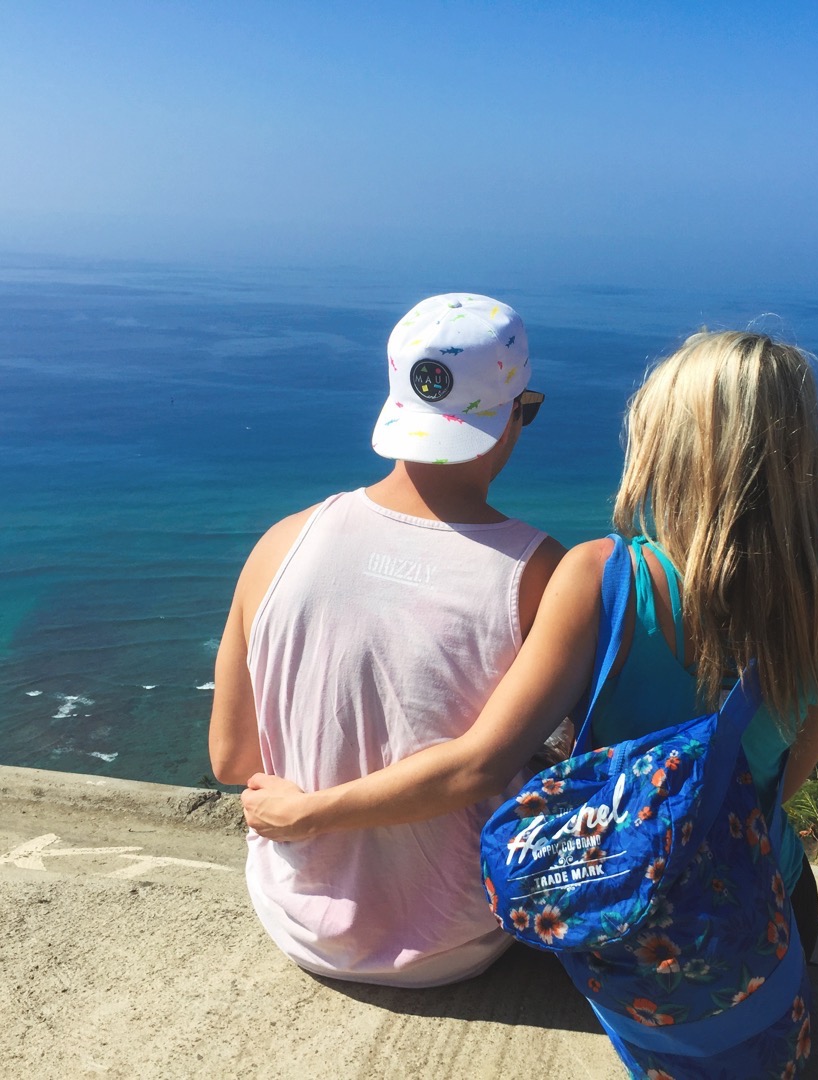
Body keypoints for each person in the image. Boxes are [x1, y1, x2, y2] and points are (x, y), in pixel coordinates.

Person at [242, 330, 818, 1075]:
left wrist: (306, 814)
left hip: (632, 925)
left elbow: (480, 762)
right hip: (771, 917)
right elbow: (781, 784)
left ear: (668, 448)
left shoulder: (603, 577)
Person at [209, 292, 565, 987]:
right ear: (512, 416)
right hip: (459, 937)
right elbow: (478, 770)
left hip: (294, 920)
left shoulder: (283, 541)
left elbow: (232, 759)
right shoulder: (540, 572)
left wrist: (305, 812)